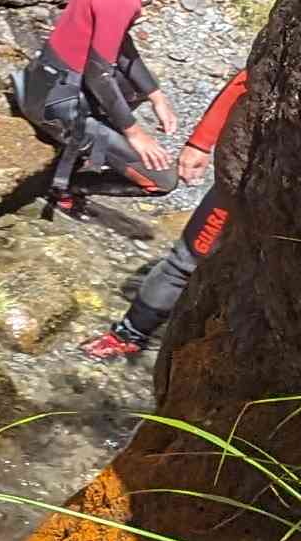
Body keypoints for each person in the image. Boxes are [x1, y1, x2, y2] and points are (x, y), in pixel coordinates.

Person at [14, 0, 201, 215]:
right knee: (163, 180)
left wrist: (156, 95)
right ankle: (64, 186)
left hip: (46, 81)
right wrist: (135, 133)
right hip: (55, 105)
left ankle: (86, 146)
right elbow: (98, 73)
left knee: (136, 87)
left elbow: (118, 45)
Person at [84, 65, 245, 361]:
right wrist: (200, 143)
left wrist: (200, 144)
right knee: (185, 262)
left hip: (264, 190)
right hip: (244, 183)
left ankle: (134, 336)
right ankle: (129, 335)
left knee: (190, 265)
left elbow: (245, 80)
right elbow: (247, 80)